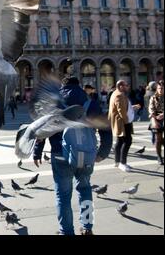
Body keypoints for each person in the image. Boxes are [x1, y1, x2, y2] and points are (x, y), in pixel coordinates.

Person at [33, 77, 112, 235]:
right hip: (87, 155)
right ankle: (87, 227)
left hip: (60, 154)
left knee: (63, 196)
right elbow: (105, 128)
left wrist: (37, 151)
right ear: (79, 86)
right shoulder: (91, 102)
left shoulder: (54, 103)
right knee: (85, 189)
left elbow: (42, 128)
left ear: (63, 86)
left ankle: (67, 231)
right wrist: (102, 152)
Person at [108, 80, 140, 172]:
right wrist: (127, 123)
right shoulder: (119, 95)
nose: (128, 86)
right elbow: (121, 111)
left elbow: (123, 107)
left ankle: (117, 162)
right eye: (126, 85)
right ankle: (122, 163)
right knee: (127, 141)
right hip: (122, 122)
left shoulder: (117, 93)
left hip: (121, 122)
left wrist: (132, 107)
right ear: (121, 86)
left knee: (120, 141)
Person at [149, 81, 164, 165]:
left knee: (160, 140)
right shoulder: (153, 97)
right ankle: (159, 157)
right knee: (158, 140)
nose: (160, 90)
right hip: (157, 118)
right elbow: (151, 110)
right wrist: (154, 120)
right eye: (159, 88)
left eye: (162, 88)